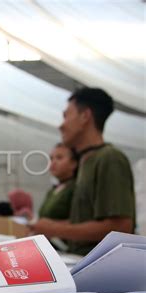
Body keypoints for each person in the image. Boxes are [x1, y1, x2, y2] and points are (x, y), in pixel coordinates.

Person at [30, 87, 136, 255]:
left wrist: (55, 228)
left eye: (66, 116)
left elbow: (120, 227)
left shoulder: (110, 158)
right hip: (79, 259)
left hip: (98, 266)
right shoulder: (86, 162)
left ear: (85, 116)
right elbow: (85, 221)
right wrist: (51, 227)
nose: (61, 125)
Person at [38, 143, 77, 221]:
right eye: (51, 159)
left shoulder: (76, 188)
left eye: (59, 158)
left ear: (74, 163)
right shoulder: (53, 190)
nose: (53, 162)